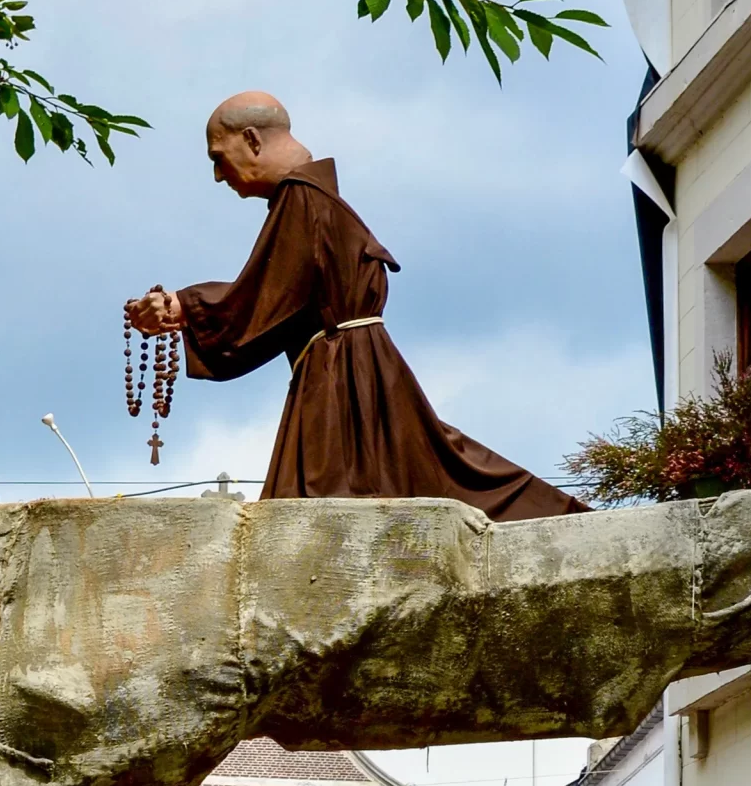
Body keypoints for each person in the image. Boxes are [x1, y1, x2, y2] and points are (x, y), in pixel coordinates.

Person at [125, 94, 585, 521]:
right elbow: (279, 293)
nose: (219, 176)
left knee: (336, 505)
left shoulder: (302, 198)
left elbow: (267, 294)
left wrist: (183, 306)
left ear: (251, 140)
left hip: (340, 378)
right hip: (353, 367)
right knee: (427, 467)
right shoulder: (313, 200)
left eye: (217, 159)